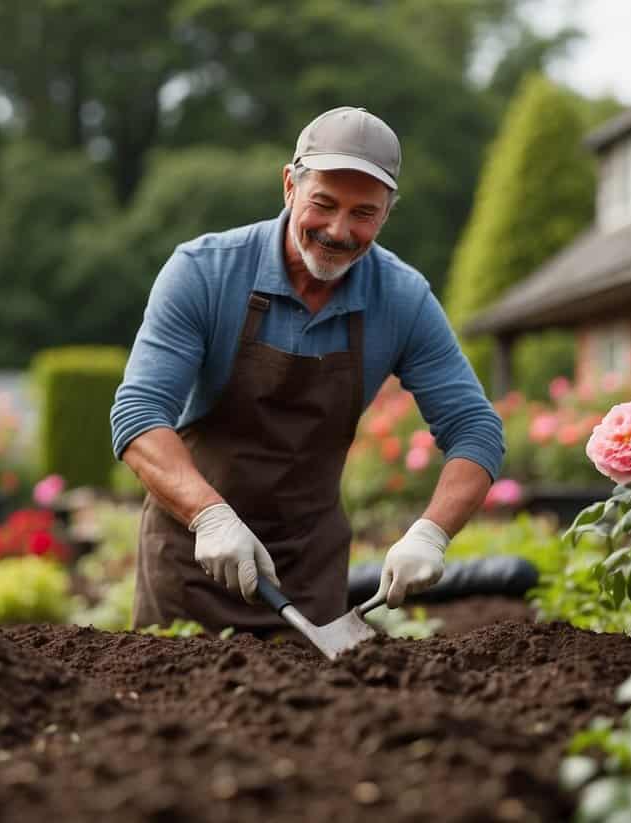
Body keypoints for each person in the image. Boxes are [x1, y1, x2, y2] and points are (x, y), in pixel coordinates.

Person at [110, 106, 504, 633]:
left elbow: (475, 428)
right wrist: (210, 516)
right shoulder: (205, 271)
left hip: (309, 575)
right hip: (194, 562)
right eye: (323, 203)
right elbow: (138, 413)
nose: (338, 231)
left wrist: (431, 533)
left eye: (363, 213)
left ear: (387, 213)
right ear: (290, 186)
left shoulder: (402, 299)